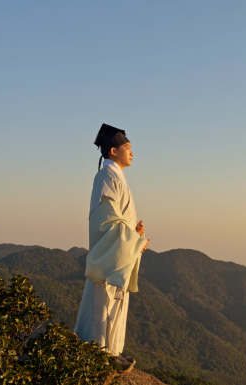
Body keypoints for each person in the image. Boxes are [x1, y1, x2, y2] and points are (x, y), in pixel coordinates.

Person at [75, 123, 149, 373]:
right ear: (113, 151)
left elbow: (116, 218)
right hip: (111, 255)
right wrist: (132, 237)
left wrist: (134, 237)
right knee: (103, 302)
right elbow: (105, 219)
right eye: (128, 147)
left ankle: (112, 351)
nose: (132, 152)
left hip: (120, 252)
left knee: (115, 302)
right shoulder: (106, 176)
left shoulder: (115, 176)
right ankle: (99, 353)